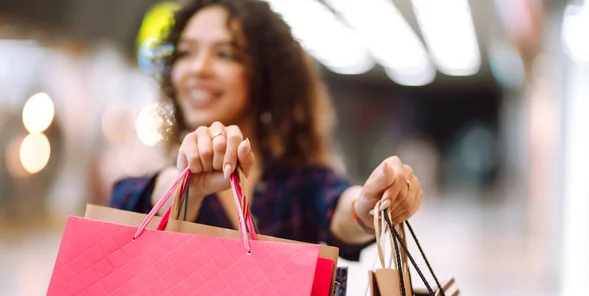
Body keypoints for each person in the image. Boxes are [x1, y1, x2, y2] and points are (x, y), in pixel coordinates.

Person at [109, 0, 422, 262]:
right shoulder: (142, 185)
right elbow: (127, 222)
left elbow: (340, 208)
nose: (198, 68)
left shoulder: (300, 185)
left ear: (266, 76)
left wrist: (368, 208)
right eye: (185, 53)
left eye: (225, 54)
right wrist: (183, 185)